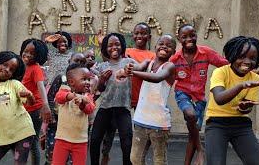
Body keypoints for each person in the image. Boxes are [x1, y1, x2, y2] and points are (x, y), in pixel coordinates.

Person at [169, 24, 229, 165]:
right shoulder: (175, 59)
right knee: (190, 115)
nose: (189, 39)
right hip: (182, 94)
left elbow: (225, 64)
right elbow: (162, 74)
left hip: (199, 98)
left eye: (192, 35)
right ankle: (201, 150)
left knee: (193, 133)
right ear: (179, 39)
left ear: (196, 35)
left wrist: (250, 71)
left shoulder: (205, 52)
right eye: (184, 37)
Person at [205, 36, 259, 165]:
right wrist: (241, 85)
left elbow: (247, 107)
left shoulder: (255, 78)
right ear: (232, 56)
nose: (247, 61)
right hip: (217, 123)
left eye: (252, 58)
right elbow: (219, 98)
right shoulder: (220, 72)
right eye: (242, 56)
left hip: (241, 124)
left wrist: (245, 107)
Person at [90, 33, 147, 165]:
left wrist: (147, 62)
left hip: (123, 109)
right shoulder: (102, 66)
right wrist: (102, 80)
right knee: (94, 140)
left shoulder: (128, 62)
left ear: (122, 46)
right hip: (105, 108)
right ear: (105, 48)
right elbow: (99, 89)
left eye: (117, 44)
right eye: (110, 45)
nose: (114, 47)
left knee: (126, 143)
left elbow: (140, 67)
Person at [128, 34, 176, 165]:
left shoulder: (169, 67)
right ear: (155, 47)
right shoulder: (148, 63)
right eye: (161, 43)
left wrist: (132, 72)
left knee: (159, 161)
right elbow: (137, 67)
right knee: (135, 159)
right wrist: (129, 66)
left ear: (174, 51)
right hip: (140, 120)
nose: (164, 47)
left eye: (169, 45)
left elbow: (157, 78)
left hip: (159, 124)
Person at [44, 52, 87, 164]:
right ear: (69, 61)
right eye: (76, 61)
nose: (79, 64)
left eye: (83, 62)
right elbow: (52, 97)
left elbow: (90, 105)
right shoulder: (61, 78)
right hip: (57, 124)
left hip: (76, 129)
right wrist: (52, 118)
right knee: (53, 153)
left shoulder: (86, 84)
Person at [52, 63, 95, 165]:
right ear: (71, 82)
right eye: (84, 79)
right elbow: (59, 97)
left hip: (81, 141)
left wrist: (83, 104)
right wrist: (73, 96)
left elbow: (90, 109)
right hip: (62, 139)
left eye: (89, 79)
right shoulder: (64, 90)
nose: (87, 82)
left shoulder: (88, 96)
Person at [20, 38, 52, 165]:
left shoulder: (35, 68)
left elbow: (40, 85)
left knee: (33, 143)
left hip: (34, 110)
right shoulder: (20, 65)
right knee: (21, 141)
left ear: (38, 55)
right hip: (22, 109)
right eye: (26, 51)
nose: (27, 55)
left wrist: (45, 105)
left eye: (32, 53)